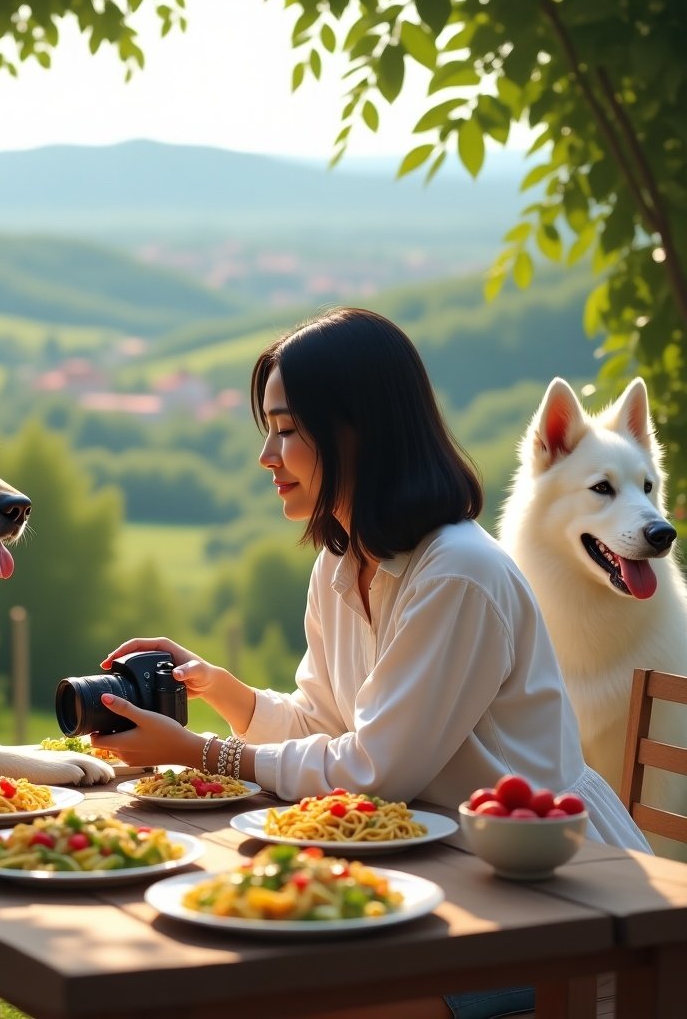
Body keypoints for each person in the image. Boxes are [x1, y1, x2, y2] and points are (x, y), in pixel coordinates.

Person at [91, 307, 650, 1019]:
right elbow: (326, 721)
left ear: (360, 431)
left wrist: (206, 754)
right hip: (432, 876)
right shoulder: (340, 563)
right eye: (268, 429)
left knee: (272, 997)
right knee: (203, 958)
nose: (267, 455)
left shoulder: (458, 575)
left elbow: (375, 771)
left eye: (288, 429)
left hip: (541, 902)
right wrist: (223, 693)